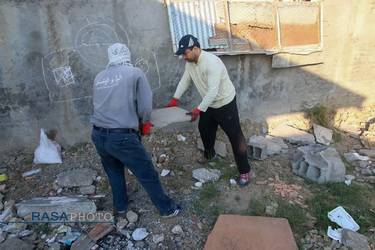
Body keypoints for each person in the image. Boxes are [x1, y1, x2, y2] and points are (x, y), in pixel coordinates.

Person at [90, 43, 184, 218]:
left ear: (110, 56)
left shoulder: (99, 76)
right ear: (127, 55)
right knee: (147, 174)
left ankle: (120, 207)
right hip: (122, 138)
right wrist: (145, 122)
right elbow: (145, 105)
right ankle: (167, 209)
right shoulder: (135, 73)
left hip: (98, 134)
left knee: (114, 172)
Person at [165, 35, 252, 186]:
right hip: (209, 103)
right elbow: (185, 80)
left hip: (225, 103)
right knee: (205, 129)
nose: (183, 57)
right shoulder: (191, 63)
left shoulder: (212, 63)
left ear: (196, 49)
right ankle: (210, 155)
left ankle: (245, 171)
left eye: (185, 53)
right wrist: (175, 99)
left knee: (235, 136)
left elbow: (213, 91)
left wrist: (198, 110)